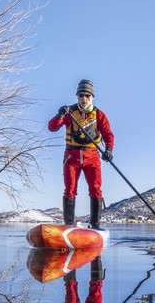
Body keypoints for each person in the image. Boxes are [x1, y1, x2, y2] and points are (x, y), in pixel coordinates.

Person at [48, 79, 114, 229]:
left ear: (92, 97)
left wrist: (109, 149)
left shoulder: (99, 115)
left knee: (96, 189)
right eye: (81, 95)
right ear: (77, 96)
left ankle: (95, 225)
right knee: (70, 189)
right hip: (72, 156)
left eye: (87, 96)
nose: (84, 99)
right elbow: (52, 128)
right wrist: (59, 115)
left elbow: (108, 134)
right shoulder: (69, 112)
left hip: (92, 156)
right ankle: (68, 225)